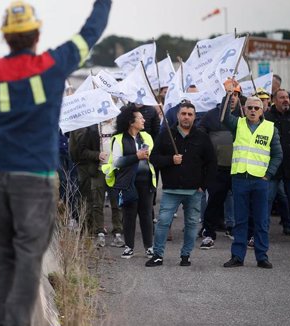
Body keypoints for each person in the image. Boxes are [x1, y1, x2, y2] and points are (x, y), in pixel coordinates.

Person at [0, 0, 111, 323]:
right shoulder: (53, 63)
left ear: (6, 37)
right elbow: (91, 32)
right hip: (36, 184)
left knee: (2, 269)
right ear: (36, 34)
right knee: (27, 266)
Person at [146, 101, 216, 267]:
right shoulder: (165, 135)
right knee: (163, 221)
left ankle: (186, 255)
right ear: (177, 115)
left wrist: (203, 185)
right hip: (171, 189)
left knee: (191, 224)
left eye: (190, 114)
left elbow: (211, 163)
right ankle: (157, 255)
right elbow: (154, 158)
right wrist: (170, 160)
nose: (186, 117)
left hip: (194, 190)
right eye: (183, 114)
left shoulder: (202, 137)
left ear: (194, 117)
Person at [222, 79, 282, 269]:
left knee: (261, 221)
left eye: (257, 108)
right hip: (240, 179)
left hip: (260, 181)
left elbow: (278, 155)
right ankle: (237, 257)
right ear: (245, 109)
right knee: (240, 221)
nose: (253, 111)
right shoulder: (237, 124)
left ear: (262, 109)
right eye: (250, 108)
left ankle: (262, 256)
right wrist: (228, 95)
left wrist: (268, 175)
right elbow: (223, 117)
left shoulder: (270, 128)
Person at [103, 106, 156, 259]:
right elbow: (118, 162)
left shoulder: (146, 137)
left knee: (146, 215)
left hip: (145, 181)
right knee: (129, 215)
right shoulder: (118, 139)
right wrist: (136, 156)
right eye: (140, 118)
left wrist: (140, 155)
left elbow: (149, 153)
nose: (143, 120)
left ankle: (149, 247)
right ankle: (129, 247)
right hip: (127, 182)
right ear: (131, 122)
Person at [198, 83, 243, 248]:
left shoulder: (245, 114)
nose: (233, 98)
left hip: (240, 168)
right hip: (218, 168)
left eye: (236, 95)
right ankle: (209, 233)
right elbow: (200, 137)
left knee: (242, 202)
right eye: (229, 94)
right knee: (214, 202)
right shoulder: (211, 115)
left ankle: (238, 231)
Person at [69, 123, 123, 247]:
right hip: (98, 170)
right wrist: (97, 155)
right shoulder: (93, 128)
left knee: (117, 203)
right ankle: (99, 232)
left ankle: (118, 232)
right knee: (97, 203)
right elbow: (83, 151)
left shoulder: (118, 126)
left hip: (115, 170)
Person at [265, 89, 290, 236]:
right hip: (272, 168)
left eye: (287, 98)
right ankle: (261, 230)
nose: (286, 100)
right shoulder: (266, 118)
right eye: (282, 97)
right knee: (267, 200)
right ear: (274, 100)